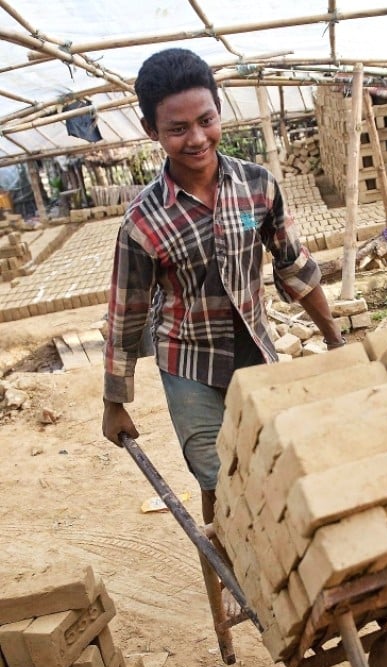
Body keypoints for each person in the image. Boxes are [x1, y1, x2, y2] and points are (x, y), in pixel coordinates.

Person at [101, 48, 344, 527]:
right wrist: (114, 404)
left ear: (219, 110)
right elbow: (126, 317)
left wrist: (335, 337)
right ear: (152, 130)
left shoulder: (258, 186)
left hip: (253, 348)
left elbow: (295, 266)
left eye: (205, 120)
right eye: (177, 129)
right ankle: (231, 582)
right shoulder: (142, 223)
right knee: (217, 479)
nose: (196, 138)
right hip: (188, 362)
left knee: (277, 460)